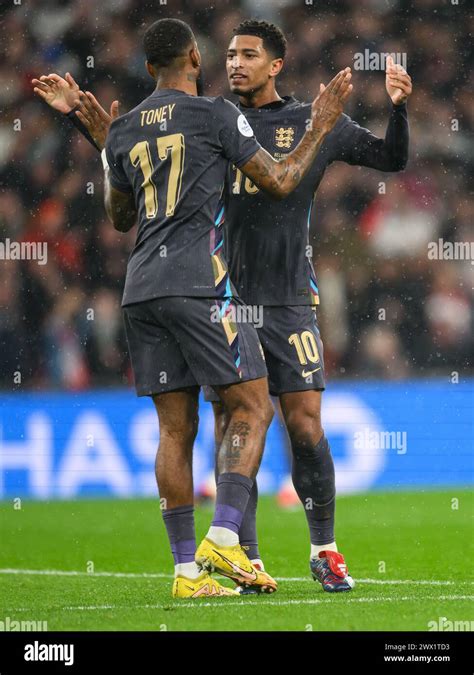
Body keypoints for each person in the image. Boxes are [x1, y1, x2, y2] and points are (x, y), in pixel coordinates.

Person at [32, 18, 353, 598]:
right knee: (255, 407)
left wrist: (99, 132)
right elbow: (279, 179)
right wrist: (322, 124)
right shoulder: (216, 113)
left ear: (148, 66)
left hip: (140, 289)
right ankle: (226, 540)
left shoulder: (126, 128)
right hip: (200, 285)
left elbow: (120, 217)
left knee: (174, 430)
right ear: (194, 57)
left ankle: (185, 574)